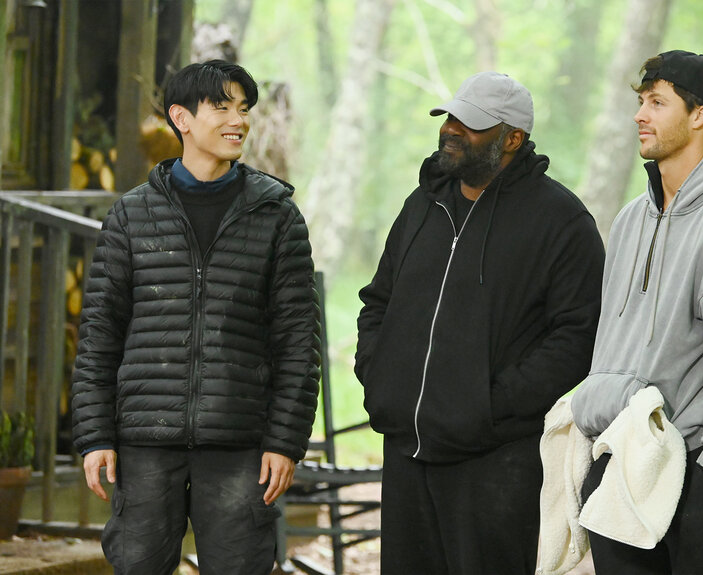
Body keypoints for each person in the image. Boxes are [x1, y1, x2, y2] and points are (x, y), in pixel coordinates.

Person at [70, 60, 320, 575]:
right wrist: (95, 435)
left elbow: (297, 340)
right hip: (144, 441)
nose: (239, 120)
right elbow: (99, 334)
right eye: (222, 107)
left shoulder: (277, 216)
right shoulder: (131, 215)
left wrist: (284, 440)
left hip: (239, 441)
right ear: (181, 118)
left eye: (244, 108)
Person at [355, 71, 605, 575]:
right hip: (405, 449)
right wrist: (382, 375)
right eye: (450, 116)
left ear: (513, 138)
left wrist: (489, 406)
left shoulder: (561, 221)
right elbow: (378, 299)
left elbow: (577, 337)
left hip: (494, 460)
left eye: (469, 123)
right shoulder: (422, 204)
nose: (451, 129)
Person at [571, 50, 703, 574]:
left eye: (658, 102)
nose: (640, 115)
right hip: (620, 459)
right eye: (641, 101)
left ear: (700, 115)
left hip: (696, 469)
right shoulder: (630, 219)